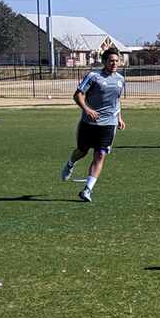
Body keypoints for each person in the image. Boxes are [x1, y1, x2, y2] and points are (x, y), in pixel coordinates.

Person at [60, 49, 126, 203]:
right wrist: (87, 109)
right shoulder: (93, 76)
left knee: (101, 154)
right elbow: (77, 95)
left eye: (117, 60)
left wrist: (119, 117)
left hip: (109, 123)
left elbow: (116, 100)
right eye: (111, 60)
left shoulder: (120, 79)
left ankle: (87, 190)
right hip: (89, 123)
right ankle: (70, 164)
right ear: (104, 62)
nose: (114, 63)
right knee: (82, 151)